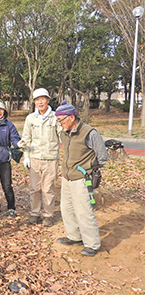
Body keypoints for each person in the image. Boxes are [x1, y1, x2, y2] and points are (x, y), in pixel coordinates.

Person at [55, 100, 108, 257]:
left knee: (84, 211)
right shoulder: (64, 133)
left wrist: (89, 169)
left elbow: (102, 156)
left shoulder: (90, 133)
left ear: (71, 117)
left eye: (61, 120)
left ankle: (92, 244)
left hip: (82, 178)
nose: (59, 124)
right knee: (67, 209)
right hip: (67, 177)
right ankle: (74, 237)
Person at [18, 88, 61, 227]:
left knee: (48, 188)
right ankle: (35, 213)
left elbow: (62, 136)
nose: (40, 102)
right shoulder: (30, 118)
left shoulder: (55, 117)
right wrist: (27, 156)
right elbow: (26, 138)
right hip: (35, 158)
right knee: (34, 188)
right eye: (37, 99)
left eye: (42, 99)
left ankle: (48, 215)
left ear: (48, 100)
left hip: (50, 158)